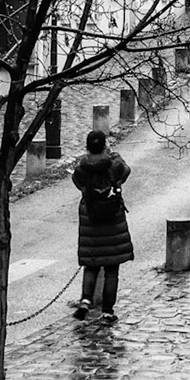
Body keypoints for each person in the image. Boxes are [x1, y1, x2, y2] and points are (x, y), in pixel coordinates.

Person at [71, 130, 132, 322]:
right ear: (105, 145)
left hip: (91, 221)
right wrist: (112, 153)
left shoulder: (82, 169)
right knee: (112, 269)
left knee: (91, 266)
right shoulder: (113, 165)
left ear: (88, 147)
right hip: (112, 221)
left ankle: (86, 300)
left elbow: (77, 182)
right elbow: (126, 170)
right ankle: (107, 311)